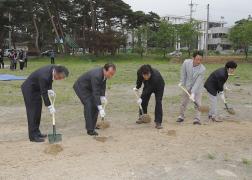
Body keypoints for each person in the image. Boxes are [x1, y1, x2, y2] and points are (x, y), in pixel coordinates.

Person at [21, 65, 69, 142]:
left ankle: (37, 132)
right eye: (60, 77)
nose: (60, 79)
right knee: (33, 112)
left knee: (38, 111)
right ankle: (33, 136)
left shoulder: (52, 70)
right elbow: (44, 93)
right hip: (29, 90)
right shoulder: (44, 76)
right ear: (56, 73)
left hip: (36, 89)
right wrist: (50, 106)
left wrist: (50, 90)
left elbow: (49, 82)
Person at [73, 63, 116, 136]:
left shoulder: (104, 74)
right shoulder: (96, 75)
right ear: (105, 70)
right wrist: (100, 107)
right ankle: (90, 130)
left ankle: (93, 125)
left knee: (95, 105)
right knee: (89, 105)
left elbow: (102, 85)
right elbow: (96, 92)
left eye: (113, 74)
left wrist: (102, 96)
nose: (111, 76)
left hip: (90, 88)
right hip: (82, 87)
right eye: (110, 73)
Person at [177, 50, 206, 125]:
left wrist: (193, 93)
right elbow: (183, 73)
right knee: (184, 102)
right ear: (193, 58)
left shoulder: (202, 69)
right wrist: (182, 82)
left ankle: (197, 119)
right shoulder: (186, 63)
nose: (199, 61)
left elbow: (198, 82)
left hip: (198, 88)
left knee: (198, 103)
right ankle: (181, 116)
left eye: (200, 59)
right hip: (187, 86)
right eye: (197, 59)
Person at [133, 64, 165, 129]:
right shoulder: (139, 72)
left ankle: (158, 122)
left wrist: (140, 98)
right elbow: (139, 80)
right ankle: (143, 117)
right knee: (143, 100)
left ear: (150, 72)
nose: (146, 77)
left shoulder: (155, 76)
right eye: (144, 76)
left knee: (158, 102)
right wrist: (137, 87)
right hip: (148, 84)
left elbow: (148, 89)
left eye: (147, 75)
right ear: (142, 73)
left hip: (159, 85)